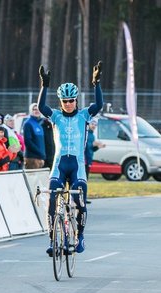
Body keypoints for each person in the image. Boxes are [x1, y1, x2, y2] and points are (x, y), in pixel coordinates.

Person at [38, 61, 104, 255]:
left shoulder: (84, 115)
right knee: (52, 200)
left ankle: (80, 235)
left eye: (71, 100)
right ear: (60, 102)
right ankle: (52, 240)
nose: (68, 104)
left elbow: (99, 104)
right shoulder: (56, 116)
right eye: (65, 101)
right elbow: (41, 107)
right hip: (59, 165)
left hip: (77, 166)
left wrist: (96, 83)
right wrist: (44, 85)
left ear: (76, 100)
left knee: (79, 199)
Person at [23, 103, 46, 169]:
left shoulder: (39, 123)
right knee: (32, 178)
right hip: (32, 158)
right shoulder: (28, 123)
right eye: (34, 109)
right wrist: (40, 154)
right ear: (31, 111)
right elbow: (28, 142)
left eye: (38, 109)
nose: (37, 111)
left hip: (40, 158)